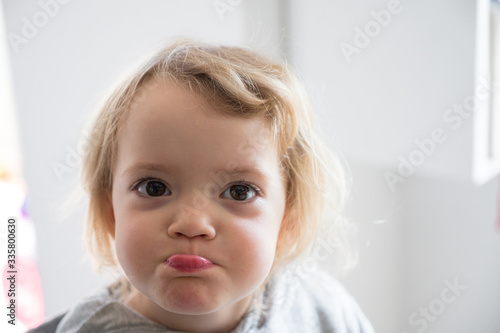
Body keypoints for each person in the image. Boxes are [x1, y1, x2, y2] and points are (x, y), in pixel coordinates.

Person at [30, 39, 375, 333]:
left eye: (239, 192)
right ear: (111, 213)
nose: (193, 224)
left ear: (288, 221)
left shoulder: (321, 309)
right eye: (153, 187)